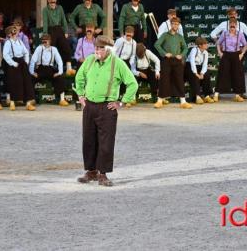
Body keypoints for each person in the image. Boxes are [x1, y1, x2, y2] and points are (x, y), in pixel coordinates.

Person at [75, 35, 138, 187]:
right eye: (96, 48)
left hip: (107, 107)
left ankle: (103, 173)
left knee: (106, 141)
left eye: (101, 48)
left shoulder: (117, 63)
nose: (97, 50)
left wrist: (121, 102)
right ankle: (91, 171)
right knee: (88, 139)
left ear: (109, 50)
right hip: (89, 106)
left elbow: (132, 84)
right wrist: (81, 95)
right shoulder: (90, 60)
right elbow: (79, 77)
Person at [210, 7, 247, 99]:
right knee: (223, 72)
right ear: (228, 15)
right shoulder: (223, 25)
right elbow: (213, 34)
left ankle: (239, 93)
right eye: (230, 14)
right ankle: (218, 93)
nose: (233, 15)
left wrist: (243, 52)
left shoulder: (242, 25)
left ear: (237, 15)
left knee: (239, 73)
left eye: (234, 14)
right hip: (226, 51)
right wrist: (220, 45)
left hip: (238, 51)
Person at [154, 17, 191, 109]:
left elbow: (186, 48)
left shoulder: (180, 37)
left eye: (177, 24)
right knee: (164, 80)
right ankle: (159, 101)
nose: (175, 25)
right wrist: (164, 53)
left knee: (179, 80)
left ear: (179, 25)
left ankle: (183, 102)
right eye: (173, 24)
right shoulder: (165, 35)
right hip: (167, 60)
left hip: (177, 61)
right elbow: (157, 44)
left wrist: (181, 55)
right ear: (171, 24)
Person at [29, 34, 70, 107]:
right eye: (43, 41)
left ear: (50, 41)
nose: (44, 42)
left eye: (46, 41)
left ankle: (62, 99)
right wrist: (32, 72)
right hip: (40, 69)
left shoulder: (54, 49)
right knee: (31, 78)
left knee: (60, 78)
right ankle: (32, 99)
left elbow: (59, 61)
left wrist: (59, 72)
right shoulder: (39, 48)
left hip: (50, 69)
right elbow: (33, 60)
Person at [2, 26, 36, 111]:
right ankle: (12, 103)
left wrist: (26, 61)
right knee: (14, 83)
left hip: (22, 62)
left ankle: (28, 103)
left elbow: (26, 52)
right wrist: (13, 63)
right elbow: (5, 55)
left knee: (27, 82)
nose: (15, 34)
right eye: (13, 32)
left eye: (15, 32)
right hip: (13, 63)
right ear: (9, 34)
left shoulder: (20, 41)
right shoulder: (8, 43)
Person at [42, 0, 75, 75]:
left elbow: (64, 20)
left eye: (54, 0)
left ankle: (69, 69)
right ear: (48, 0)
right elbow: (45, 23)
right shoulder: (45, 10)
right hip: (51, 30)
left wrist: (66, 31)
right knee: (51, 49)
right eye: (51, 1)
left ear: (56, 0)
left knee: (66, 47)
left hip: (59, 29)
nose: (53, 2)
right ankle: (48, 69)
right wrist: (45, 35)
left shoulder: (60, 8)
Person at [185, 37, 215, 104]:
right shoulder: (194, 50)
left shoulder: (206, 53)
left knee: (206, 75)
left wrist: (202, 73)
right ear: (200, 45)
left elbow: (205, 64)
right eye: (205, 44)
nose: (207, 45)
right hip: (189, 66)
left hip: (199, 66)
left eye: (206, 43)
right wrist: (196, 73)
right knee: (195, 77)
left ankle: (207, 96)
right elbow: (192, 62)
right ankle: (197, 97)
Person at [130, 43, 161, 107]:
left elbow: (157, 60)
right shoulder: (133, 56)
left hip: (147, 69)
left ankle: (157, 98)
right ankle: (132, 98)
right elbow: (132, 70)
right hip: (138, 71)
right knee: (132, 78)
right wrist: (139, 73)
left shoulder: (148, 52)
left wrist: (157, 71)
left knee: (155, 76)